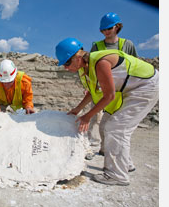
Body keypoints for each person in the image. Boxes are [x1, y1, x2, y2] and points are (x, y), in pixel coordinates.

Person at [55, 38, 158, 186]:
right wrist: (78, 109)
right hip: (134, 89)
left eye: (66, 63)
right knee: (108, 125)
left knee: (117, 128)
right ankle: (126, 164)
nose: (65, 67)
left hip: (147, 86)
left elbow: (109, 96)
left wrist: (87, 116)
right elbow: (92, 91)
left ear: (77, 58)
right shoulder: (86, 68)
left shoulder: (100, 63)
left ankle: (117, 175)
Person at [84, 12, 138, 161]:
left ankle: (107, 148)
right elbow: (92, 67)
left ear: (117, 27)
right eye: (103, 30)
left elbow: (134, 66)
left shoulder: (127, 45)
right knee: (95, 117)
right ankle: (92, 147)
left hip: (121, 89)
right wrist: (90, 86)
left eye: (109, 28)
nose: (106, 32)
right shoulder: (97, 46)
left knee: (115, 121)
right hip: (101, 88)